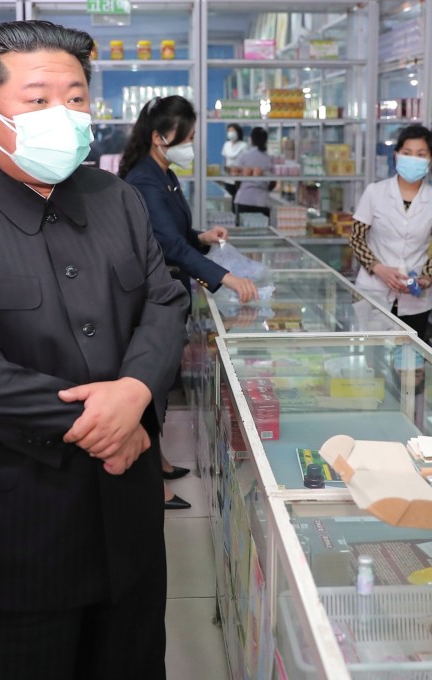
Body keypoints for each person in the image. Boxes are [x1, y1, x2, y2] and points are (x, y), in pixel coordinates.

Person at [0, 20, 188, 680]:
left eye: (76, 98)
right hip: (8, 525)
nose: (65, 115)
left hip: (126, 518)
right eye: (39, 98)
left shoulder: (118, 200)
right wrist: (105, 424)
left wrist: (134, 393)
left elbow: (164, 303)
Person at [119, 95, 257, 511]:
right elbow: (165, 244)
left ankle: (156, 461)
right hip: (149, 296)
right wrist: (224, 277)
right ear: (161, 137)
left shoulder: (165, 173)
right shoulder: (144, 179)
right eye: (190, 137)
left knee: (159, 385)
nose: (193, 145)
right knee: (151, 385)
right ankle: (150, 486)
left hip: (167, 288)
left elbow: (176, 233)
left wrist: (202, 236)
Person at [349, 124, 432, 340]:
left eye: (421, 154)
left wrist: (425, 278)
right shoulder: (375, 192)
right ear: (396, 156)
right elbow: (356, 237)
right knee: (372, 363)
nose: (413, 159)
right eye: (407, 153)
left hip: (414, 299)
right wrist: (378, 268)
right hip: (373, 290)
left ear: (431, 159)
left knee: (407, 365)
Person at [233, 126, 274, 217]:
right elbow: (272, 183)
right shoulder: (269, 159)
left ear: (251, 139)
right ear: (266, 140)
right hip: (262, 201)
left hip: (244, 199)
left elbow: (236, 178)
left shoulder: (244, 156)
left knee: (243, 229)